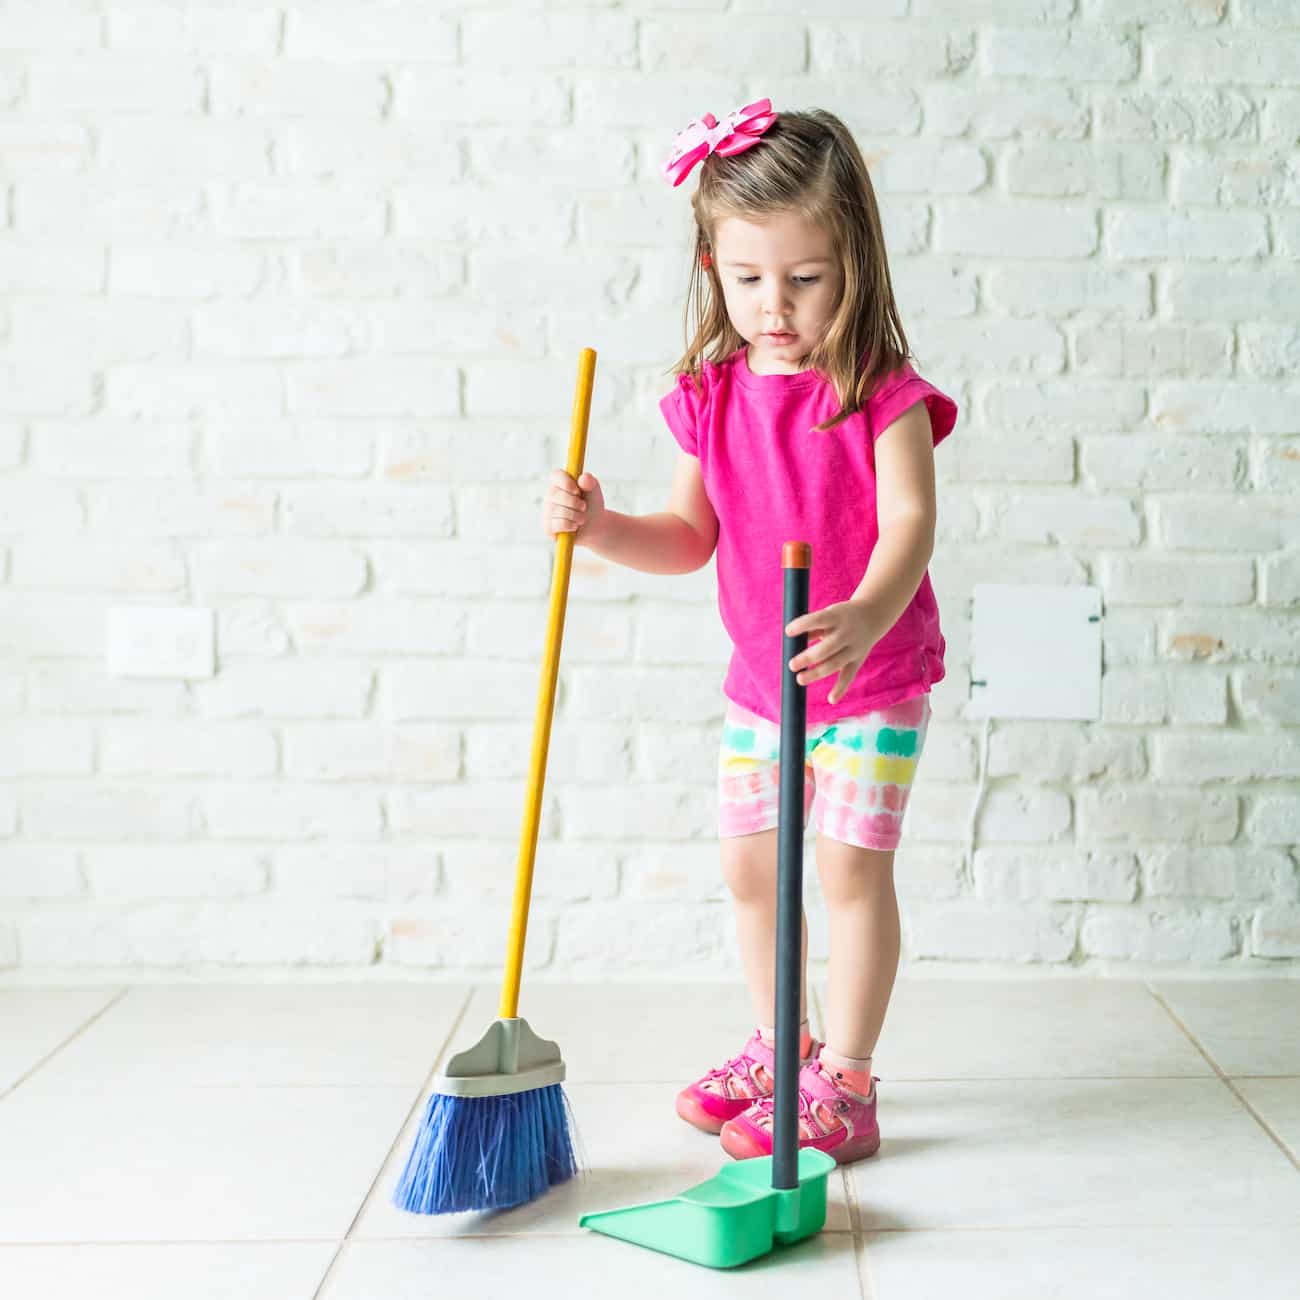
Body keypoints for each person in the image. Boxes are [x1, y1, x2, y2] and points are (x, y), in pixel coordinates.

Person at [540, 99, 958, 1165]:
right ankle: (784, 1045)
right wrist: (600, 527)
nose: (774, 307)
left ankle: (849, 1081)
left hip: (868, 678)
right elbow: (686, 537)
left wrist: (867, 611)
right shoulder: (713, 394)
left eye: (804, 279)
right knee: (748, 870)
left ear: (851, 261)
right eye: (747, 279)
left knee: (848, 871)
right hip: (761, 687)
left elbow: (910, 521)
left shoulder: (880, 392)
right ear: (711, 265)